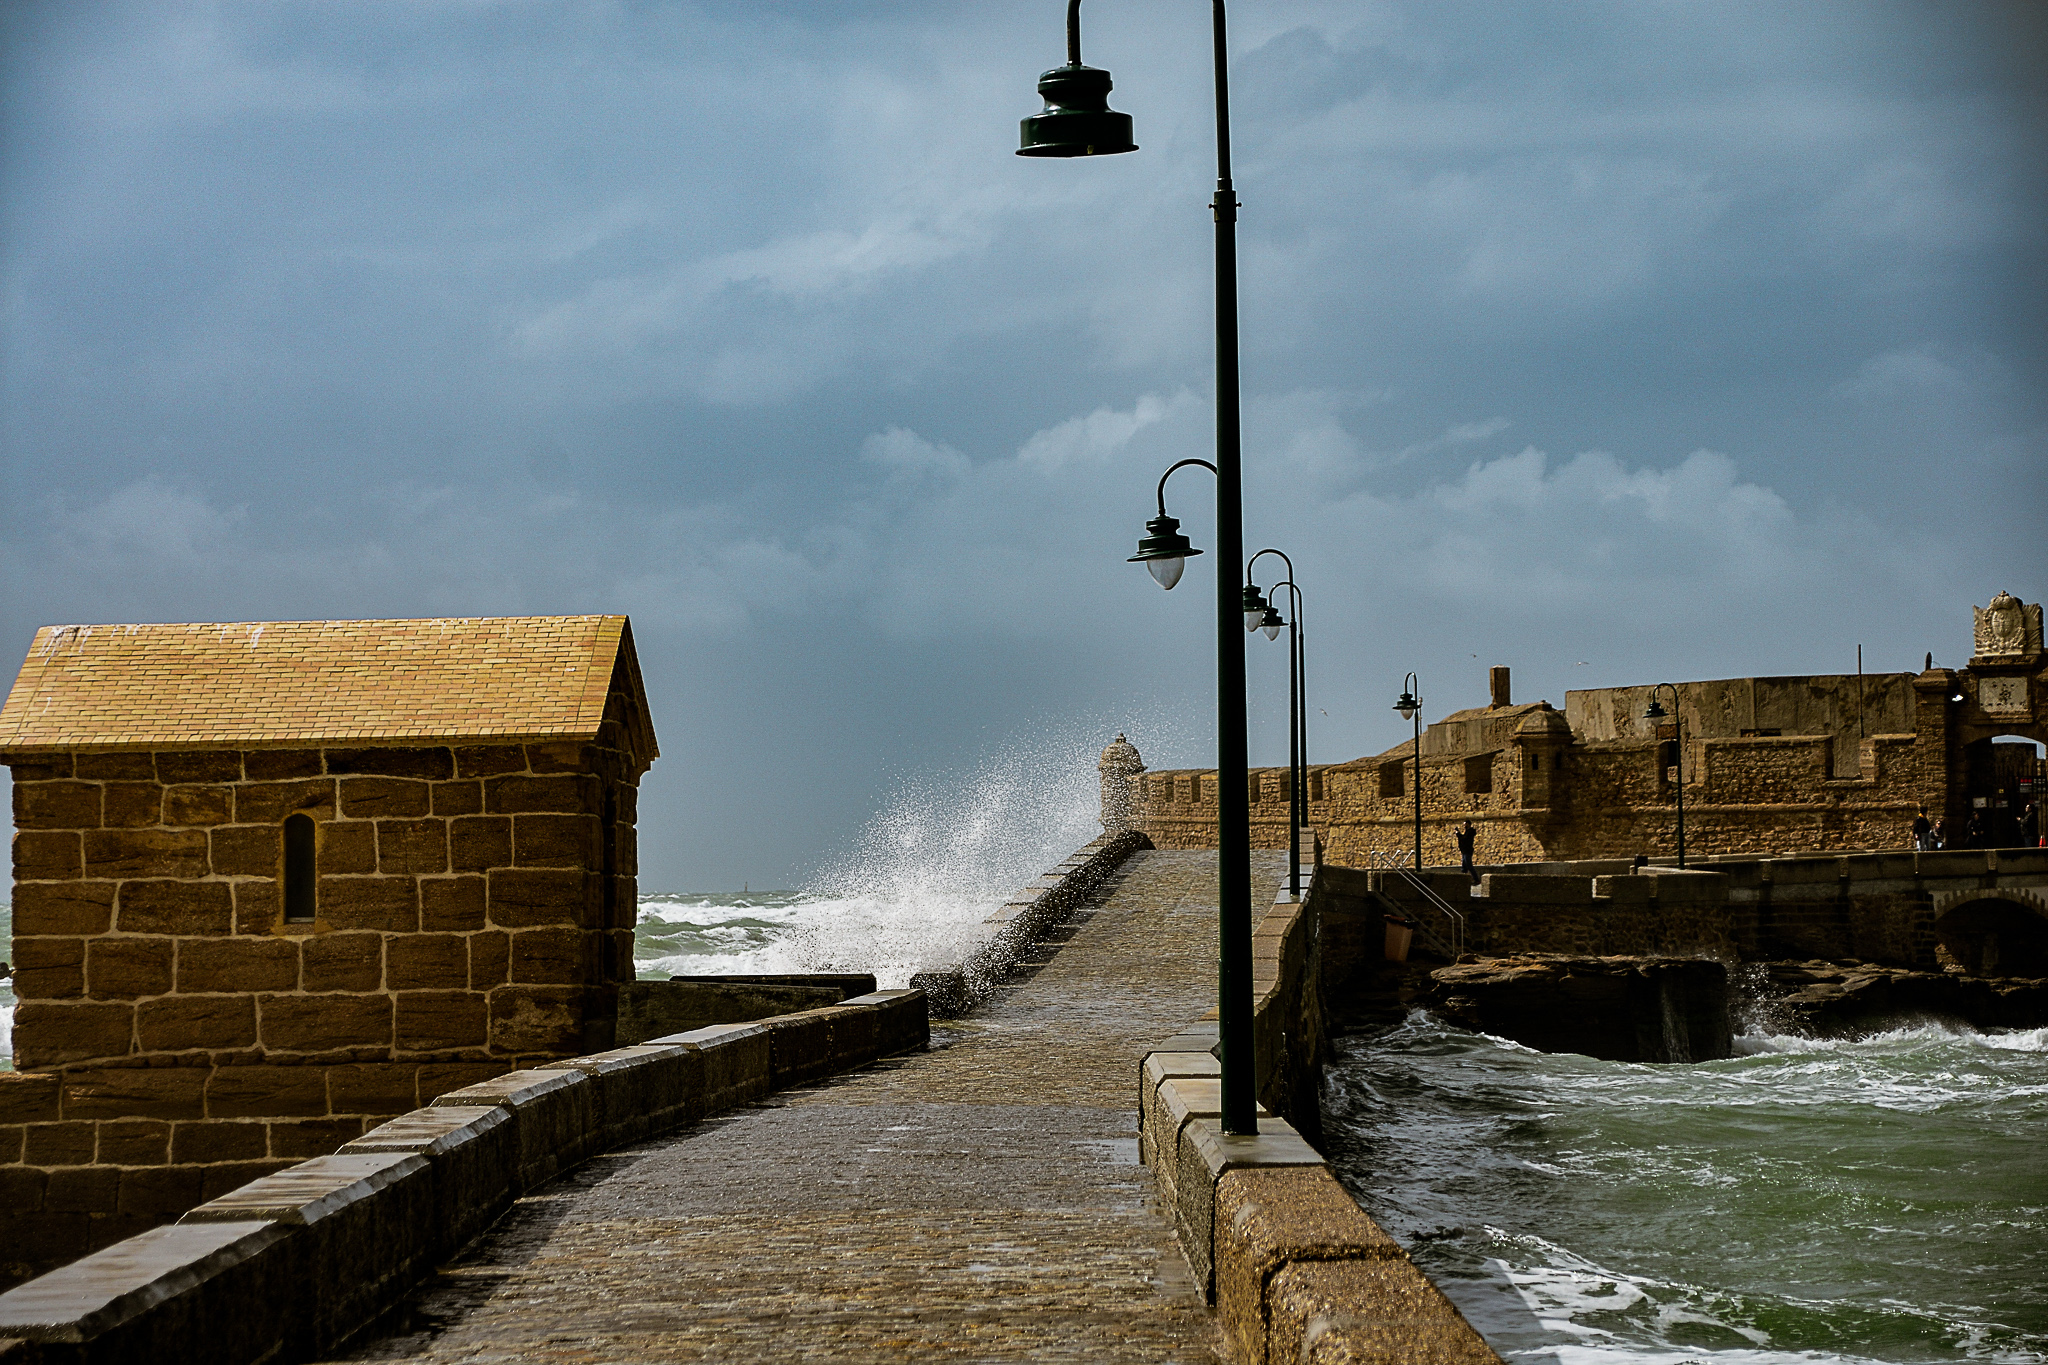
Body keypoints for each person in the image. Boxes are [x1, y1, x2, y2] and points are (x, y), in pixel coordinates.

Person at [1456, 820, 1479, 885]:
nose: (1464, 826)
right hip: (1465, 851)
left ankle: (1476, 879)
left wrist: (1458, 834)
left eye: (1465, 824)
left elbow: (1464, 839)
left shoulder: (1470, 832)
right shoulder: (1467, 832)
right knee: (1464, 866)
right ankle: (1464, 880)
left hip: (1467, 851)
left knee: (1469, 865)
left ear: (1468, 824)